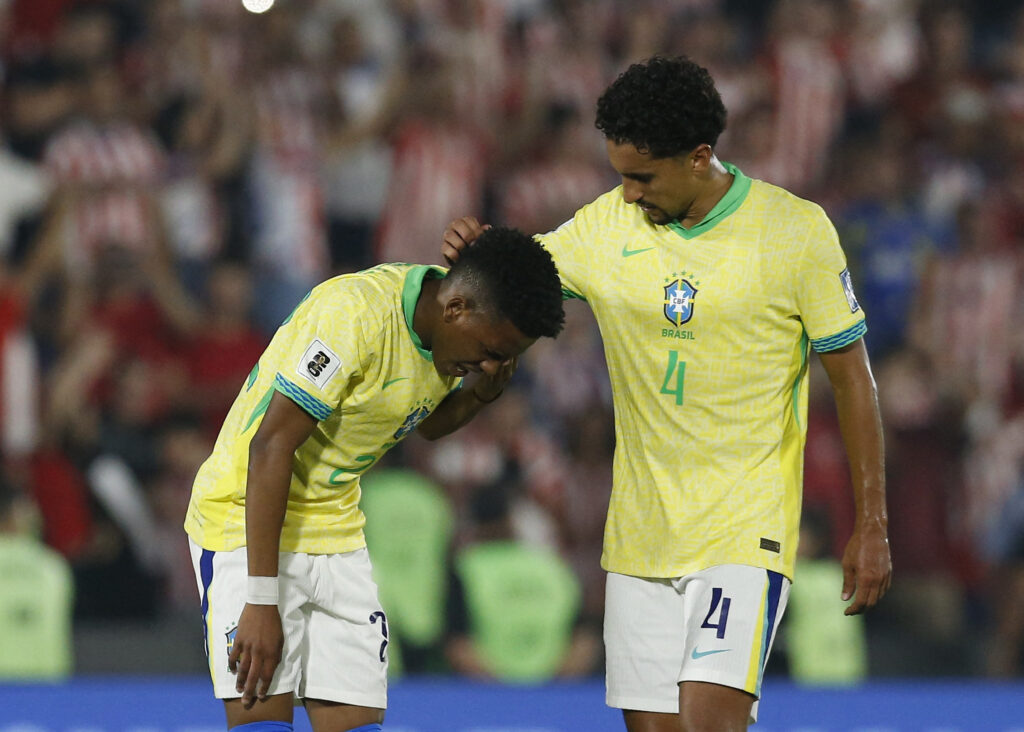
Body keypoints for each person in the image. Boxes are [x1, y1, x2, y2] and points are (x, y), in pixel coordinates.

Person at [442, 55, 892, 731]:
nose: (627, 193)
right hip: (640, 536)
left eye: (642, 177)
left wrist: (873, 522)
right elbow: (518, 283)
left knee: (709, 722)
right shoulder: (606, 226)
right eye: (620, 174)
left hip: (743, 530)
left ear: (701, 156)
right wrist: (477, 257)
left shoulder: (794, 232)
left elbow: (852, 378)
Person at [184, 226, 565, 732]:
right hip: (243, 521)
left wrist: (477, 396)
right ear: (457, 309)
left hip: (337, 532)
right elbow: (270, 447)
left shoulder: (452, 335)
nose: (492, 364)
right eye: (493, 349)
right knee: (262, 724)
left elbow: (425, 421)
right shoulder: (354, 316)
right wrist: (261, 599)